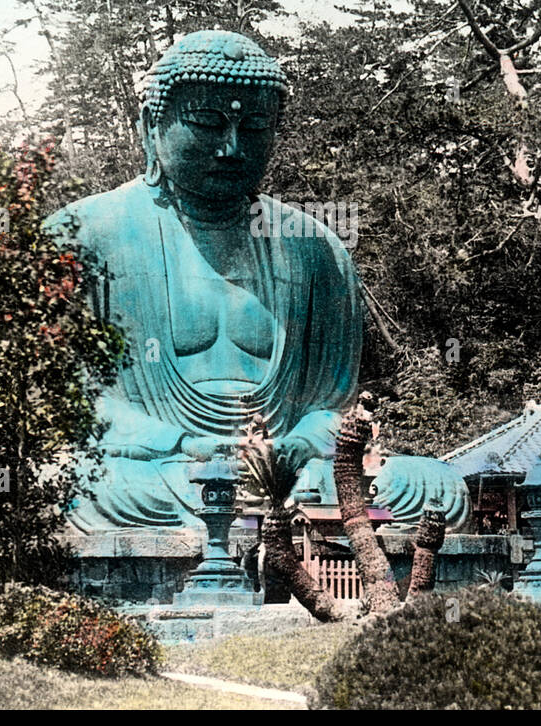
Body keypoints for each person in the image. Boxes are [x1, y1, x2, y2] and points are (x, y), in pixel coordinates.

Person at [45, 30, 469, 530]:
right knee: (66, 486)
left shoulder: (314, 247)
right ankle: (269, 515)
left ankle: (273, 513)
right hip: (161, 470)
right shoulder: (81, 236)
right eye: (207, 122)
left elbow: (331, 404)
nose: (232, 147)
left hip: (293, 473)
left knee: (435, 485)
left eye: (255, 126)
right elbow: (66, 405)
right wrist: (181, 443)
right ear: (148, 128)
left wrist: (299, 445)